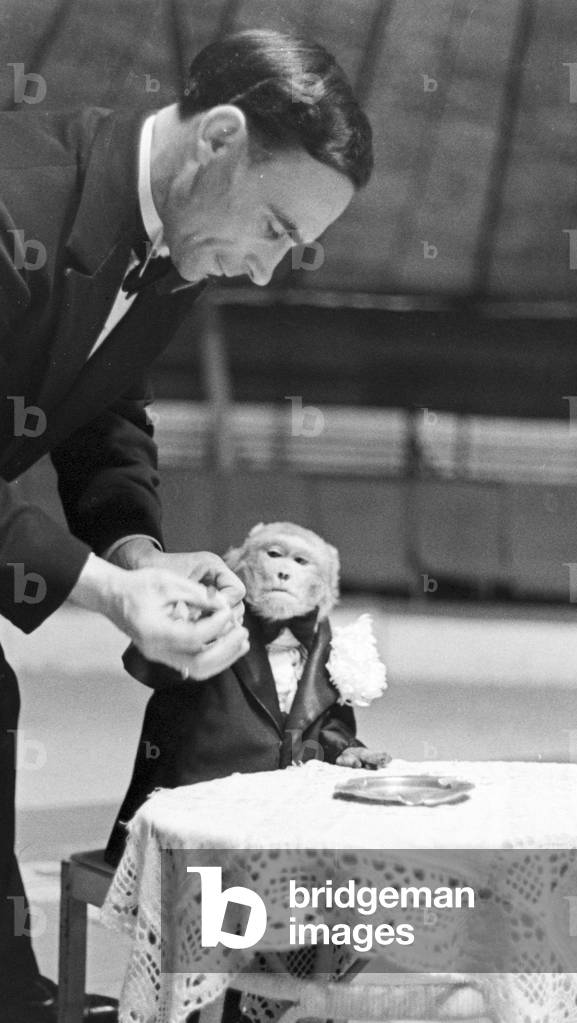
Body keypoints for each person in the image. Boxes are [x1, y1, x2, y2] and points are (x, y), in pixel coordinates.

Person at [0, 29, 373, 1022]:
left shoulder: (173, 239)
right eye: (275, 229)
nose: (260, 273)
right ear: (216, 137)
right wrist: (100, 588)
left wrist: (137, 554)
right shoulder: (13, 198)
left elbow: (99, 409)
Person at [104, 521, 391, 866]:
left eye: (302, 562)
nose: (285, 570)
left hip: (280, 822)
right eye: (274, 554)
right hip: (198, 814)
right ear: (239, 566)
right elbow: (149, 669)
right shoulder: (215, 620)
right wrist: (176, 623)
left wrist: (346, 751)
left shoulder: (332, 649)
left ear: (325, 588)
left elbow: (326, 725)